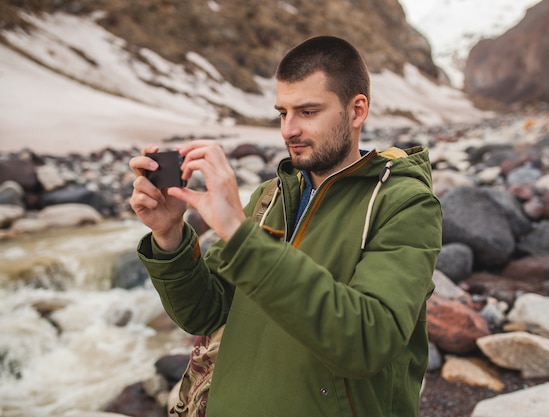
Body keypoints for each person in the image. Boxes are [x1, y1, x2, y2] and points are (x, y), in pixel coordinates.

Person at [129, 35, 442, 417]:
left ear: (357, 110)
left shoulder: (406, 203)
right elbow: (205, 313)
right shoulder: (269, 196)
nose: (288, 130)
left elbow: (368, 342)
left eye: (308, 112)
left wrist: (243, 238)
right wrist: (169, 236)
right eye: (282, 113)